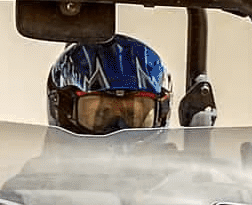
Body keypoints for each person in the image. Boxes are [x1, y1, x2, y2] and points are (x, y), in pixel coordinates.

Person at [45, 36, 173, 135]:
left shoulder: (178, 168)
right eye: (100, 115)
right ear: (63, 110)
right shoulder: (41, 170)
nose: (117, 133)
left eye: (132, 116)